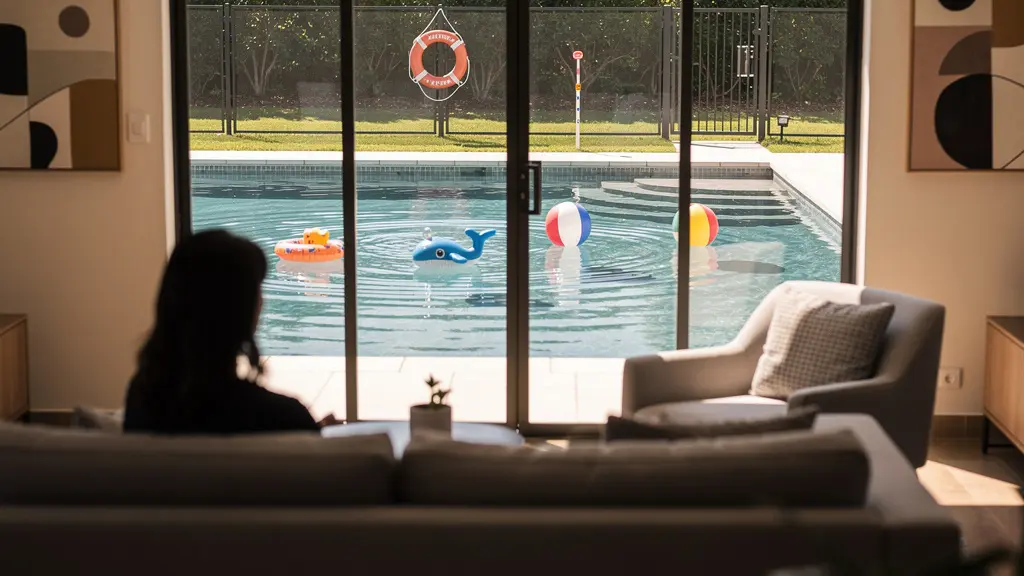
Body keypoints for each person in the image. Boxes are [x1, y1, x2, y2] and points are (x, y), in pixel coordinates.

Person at [124, 229, 337, 435]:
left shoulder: (141, 402)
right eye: (256, 291)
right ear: (243, 310)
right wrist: (315, 434)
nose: (262, 301)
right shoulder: (284, 416)